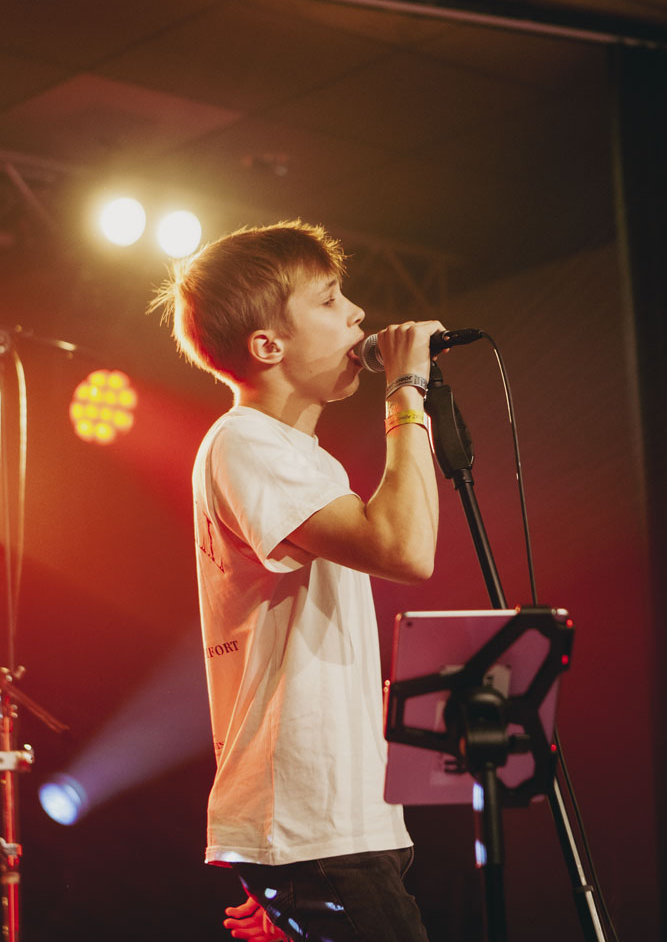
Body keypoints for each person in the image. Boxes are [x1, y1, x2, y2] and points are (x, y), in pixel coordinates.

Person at [150, 220, 443, 941]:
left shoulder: (295, 453)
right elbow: (404, 547)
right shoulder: (246, 440)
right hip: (315, 825)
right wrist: (406, 390)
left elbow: (406, 545)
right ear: (267, 346)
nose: (357, 314)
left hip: (327, 822)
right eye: (329, 299)